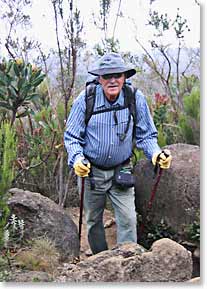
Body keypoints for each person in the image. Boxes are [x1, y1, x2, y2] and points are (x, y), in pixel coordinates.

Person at [64, 52, 172, 255]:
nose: (112, 80)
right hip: (91, 173)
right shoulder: (86, 99)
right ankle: (100, 262)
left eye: (117, 75)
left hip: (122, 169)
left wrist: (156, 154)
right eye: (106, 76)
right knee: (93, 221)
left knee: (128, 219)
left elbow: (146, 135)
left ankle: (127, 261)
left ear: (124, 77)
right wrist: (77, 159)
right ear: (99, 79)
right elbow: (71, 137)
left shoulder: (134, 97)